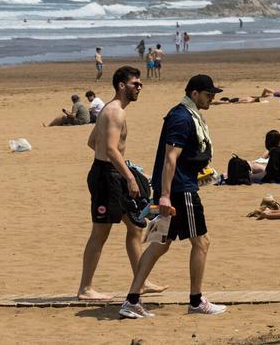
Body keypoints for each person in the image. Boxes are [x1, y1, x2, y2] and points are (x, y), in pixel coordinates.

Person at [121, 74, 227, 319]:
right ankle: (196, 301)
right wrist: (166, 196)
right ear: (194, 94)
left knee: (160, 244)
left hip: (175, 187)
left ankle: (132, 300)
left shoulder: (187, 115)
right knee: (202, 242)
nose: (211, 98)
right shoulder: (181, 117)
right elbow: (170, 157)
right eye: (208, 94)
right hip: (179, 191)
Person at [77, 66, 164, 302]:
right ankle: (85, 288)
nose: (140, 87)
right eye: (136, 83)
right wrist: (128, 176)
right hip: (107, 177)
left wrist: (118, 168)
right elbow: (110, 149)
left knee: (135, 227)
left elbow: (92, 141)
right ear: (121, 86)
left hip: (111, 173)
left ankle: (141, 281)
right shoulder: (116, 112)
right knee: (100, 232)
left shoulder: (109, 109)